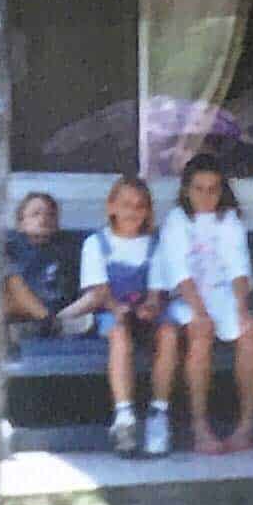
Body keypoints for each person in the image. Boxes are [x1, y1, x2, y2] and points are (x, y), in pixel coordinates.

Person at [164, 153, 253, 454]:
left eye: (213, 188)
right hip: (187, 297)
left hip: (223, 296)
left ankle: (245, 427)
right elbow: (179, 273)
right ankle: (200, 428)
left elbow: (238, 268)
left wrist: (242, 310)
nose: (206, 196)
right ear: (186, 190)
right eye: (199, 189)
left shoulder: (229, 220)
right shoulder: (177, 221)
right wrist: (200, 311)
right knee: (201, 332)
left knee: (251, 331)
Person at [73, 176, 180, 456]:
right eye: (126, 205)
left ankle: (159, 413)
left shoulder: (155, 243)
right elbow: (99, 289)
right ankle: (124, 417)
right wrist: (116, 308)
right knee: (120, 336)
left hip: (146, 312)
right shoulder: (96, 243)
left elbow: (158, 289)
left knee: (169, 333)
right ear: (111, 207)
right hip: (111, 310)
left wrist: (151, 306)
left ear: (148, 211)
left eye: (140, 206)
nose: (133, 212)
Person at [3, 192, 93, 338]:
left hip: (60, 310)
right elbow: (11, 284)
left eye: (50, 215)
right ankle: (48, 324)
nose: (43, 219)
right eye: (35, 214)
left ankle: (48, 325)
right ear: (21, 224)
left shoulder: (70, 247)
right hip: (24, 311)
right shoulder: (10, 246)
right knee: (9, 281)